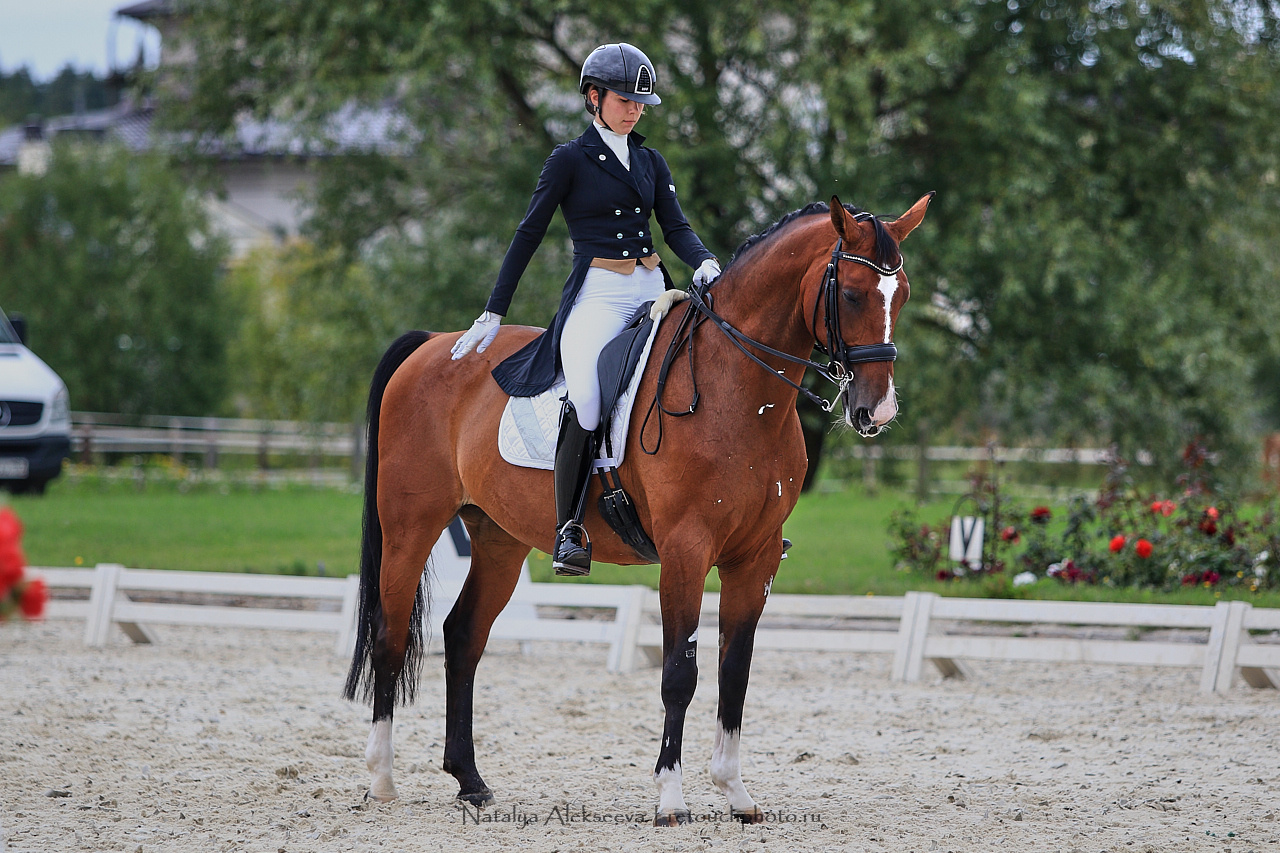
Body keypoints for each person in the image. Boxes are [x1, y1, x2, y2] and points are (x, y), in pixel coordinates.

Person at [450, 42, 720, 576]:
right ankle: (569, 527)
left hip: (652, 289)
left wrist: (705, 261)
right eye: (624, 100)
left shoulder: (650, 161)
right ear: (594, 98)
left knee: (705, 372)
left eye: (641, 103)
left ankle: (737, 511)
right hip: (598, 293)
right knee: (589, 398)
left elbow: (676, 226)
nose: (635, 111)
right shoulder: (569, 160)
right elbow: (528, 233)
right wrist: (494, 312)